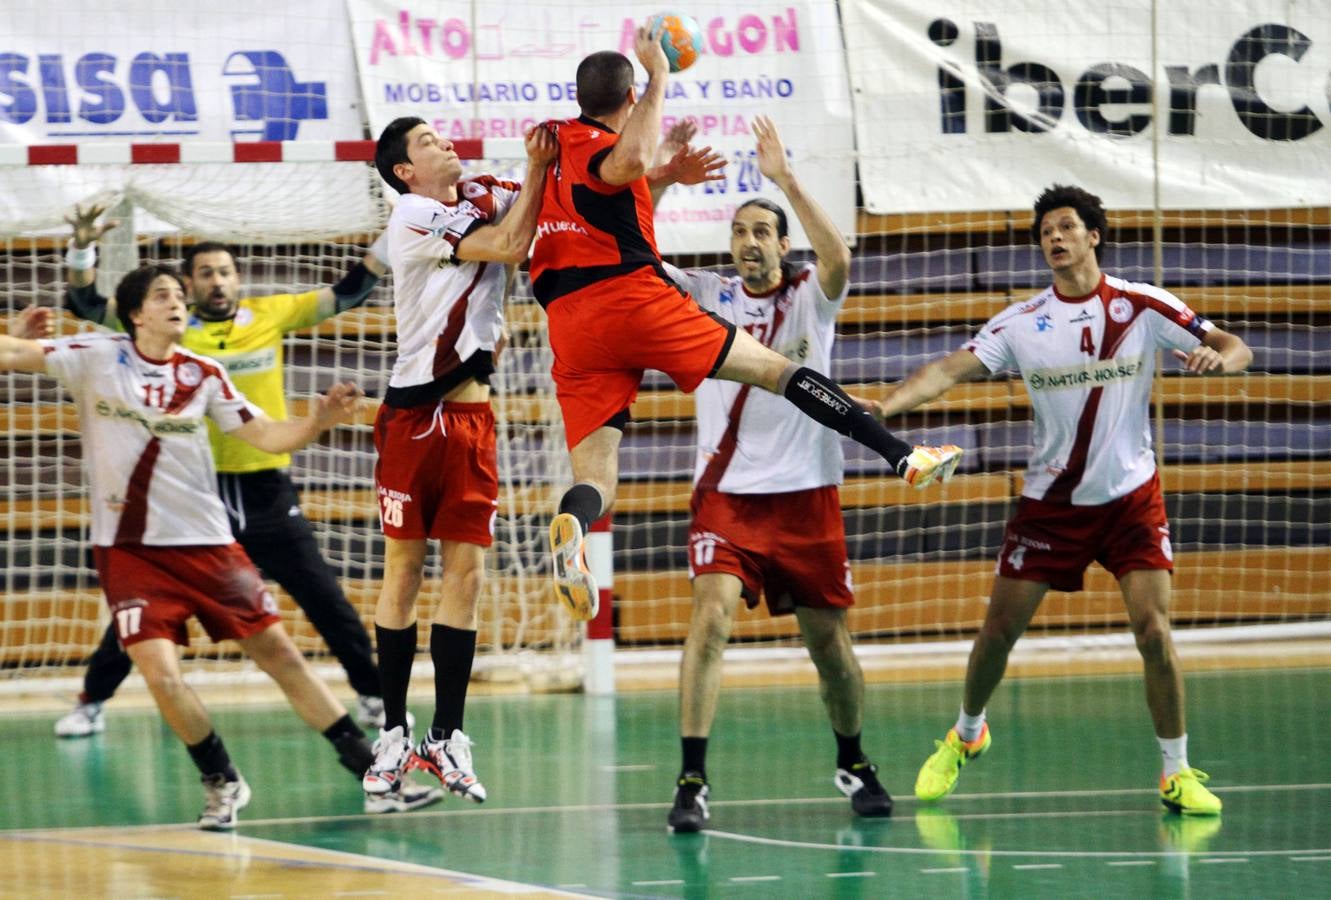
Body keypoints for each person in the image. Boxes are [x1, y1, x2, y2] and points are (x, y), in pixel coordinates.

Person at [530, 26, 963, 624]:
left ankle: (574, 524)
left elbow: (611, 188)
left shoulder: (552, 157)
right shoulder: (590, 139)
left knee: (598, 473)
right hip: (628, 297)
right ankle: (902, 457)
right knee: (781, 371)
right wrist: (659, 75)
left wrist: (663, 178)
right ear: (627, 99)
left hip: (571, 326)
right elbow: (626, 157)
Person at [0, 265, 442, 829]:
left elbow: (266, 435)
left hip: (207, 544)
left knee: (282, 656)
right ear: (136, 313)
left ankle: (376, 777)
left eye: (179, 297)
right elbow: (12, 355)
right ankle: (222, 780)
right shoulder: (95, 354)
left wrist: (317, 422)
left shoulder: (203, 372)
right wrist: (16, 333)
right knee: (160, 675)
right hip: (130, 551)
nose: (177, 303)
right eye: (163, 296)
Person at [874, 184, 1251, 816]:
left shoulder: (1141, 305)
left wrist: (1220, 359)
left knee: (1154, 631)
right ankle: (967, 735)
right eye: (1046, 229)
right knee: (998, 632)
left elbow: (1234, 345)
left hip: (1131, 496)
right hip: (1050, 503)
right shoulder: (1022, 323)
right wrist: (884, 406)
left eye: (1067, 226)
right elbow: (945, 371)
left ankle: (1175, 772)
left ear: (1093, 236)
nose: (1055, 237)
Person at [51, 207, 392, 738]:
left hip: (264, 489)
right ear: (188, 283)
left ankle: (375, 698)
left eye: (225, 271)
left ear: (238, 278)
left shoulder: (271, 315)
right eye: (205, 272)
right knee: (144, 613)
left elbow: (347, 292)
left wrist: (401, 229)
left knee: (324, 597)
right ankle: (92, 699)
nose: (217, 280)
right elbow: (85, 302)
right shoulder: (163, 325)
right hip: (190, 494)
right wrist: (80, 250)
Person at [659, 117, 893, 832]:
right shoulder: (704, 293)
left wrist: (785, 177)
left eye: (763, 231)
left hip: (806, 495)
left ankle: (852, 759)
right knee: (710, 621)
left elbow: (840, 258)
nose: (750, 242)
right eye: (740, 232)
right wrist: (664, 176)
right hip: (726, 498)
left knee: (829, 644)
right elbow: (630, 252)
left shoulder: (807, 301)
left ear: (781, 244)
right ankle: (692, 778)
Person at [359, 117, 556, 804]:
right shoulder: (412, 213)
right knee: (404, 570)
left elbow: (553, 207)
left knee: (467, 575)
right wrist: (534, 172)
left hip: (473, 417)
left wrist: (656, 178)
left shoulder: (482, 190)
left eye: (442, 135)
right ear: (405, 171)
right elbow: (508, 244)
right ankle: (391, 733)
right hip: (413, 416)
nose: (443, 143)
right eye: (425, 143)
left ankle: (445, 736)